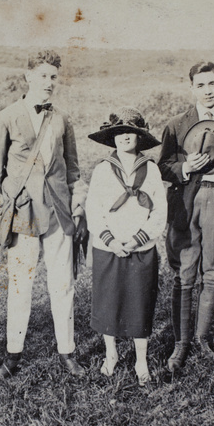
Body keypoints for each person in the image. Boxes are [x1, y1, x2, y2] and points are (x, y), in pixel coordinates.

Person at [0, 50, 88, 378]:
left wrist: (76, 202)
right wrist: (15, 192)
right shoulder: (6, 117)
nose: (49, 83)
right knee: (20, 285)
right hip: (24, 214)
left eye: (54, 77)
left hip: (58, 213)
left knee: (62, 284)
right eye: (42, 76)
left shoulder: (62, 119)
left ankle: (67, 352)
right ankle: (13, 357)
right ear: (28, 77)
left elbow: (72, 168)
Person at [158, 61, 214, 372]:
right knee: (186, 270)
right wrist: (186, 167)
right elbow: (163, 166)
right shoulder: (177, 124)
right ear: (192, 88)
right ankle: (181, 342)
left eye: (212, 83)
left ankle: (201, 338)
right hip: (187, 201)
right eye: (200, 85)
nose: (207, 90)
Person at [86, 107, 166, 385]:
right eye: (118, 133)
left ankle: (141, 359)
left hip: (140, 248)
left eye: (130, 132)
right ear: (112, 138)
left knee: (139, 302)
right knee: (109, 301)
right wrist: (111, 240)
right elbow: (93, 209)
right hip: (109, 247)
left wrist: (137, 239)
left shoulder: (151, 170)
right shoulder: (102, 170)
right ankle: (112, 354)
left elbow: (159, 212)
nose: (124, 138)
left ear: (140, 137)